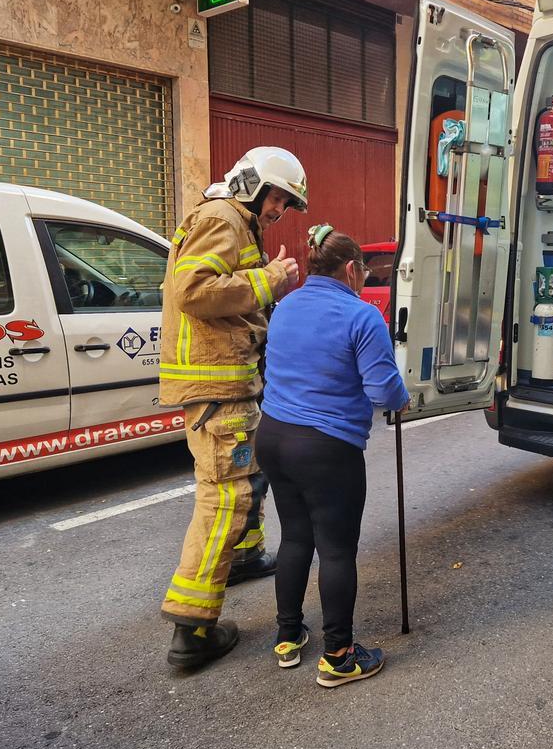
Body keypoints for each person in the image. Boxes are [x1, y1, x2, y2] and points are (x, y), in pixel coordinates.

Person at [158, 146, 306, 669]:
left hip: (226, 381)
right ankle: (192, 629)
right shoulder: (222, 217)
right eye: (279, 200)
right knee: (224, 498)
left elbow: (227, 297)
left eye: (285, 206)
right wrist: (271, 281)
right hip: (215, 385)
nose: (278, 212)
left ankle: (242, 557)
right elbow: (193, 292)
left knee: (247, 479)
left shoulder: (231, 221)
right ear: (254, 185)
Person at [255, 224, 409, 688]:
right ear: (350, 269)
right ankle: (339, 657)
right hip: (325, 448)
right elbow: (382, 389)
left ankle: (288, 636)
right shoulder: (361, 316)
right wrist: (402, 397)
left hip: (274, 436)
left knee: (296, 537)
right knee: (337, 549)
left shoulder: (284, 307)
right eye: (362, 269)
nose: (362, 277)